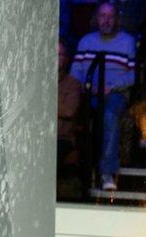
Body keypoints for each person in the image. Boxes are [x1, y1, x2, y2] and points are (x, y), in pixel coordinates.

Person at [69, 1, 136, 191]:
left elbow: (132, 75)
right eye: (102, 16)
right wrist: (86, 87)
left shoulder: (127, 41)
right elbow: (76, 72)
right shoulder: (86, 42)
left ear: (116, 20)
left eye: (110, 16)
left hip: (116, 94)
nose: (106, 20)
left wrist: (111, 87)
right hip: (89, 93)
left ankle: (107, 172)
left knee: (108, 116)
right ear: (96, 19)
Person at [57, 39, 82, 170]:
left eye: (59, 55)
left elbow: (69, 111)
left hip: (60, 138)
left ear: (65, 59)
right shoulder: (37, 82)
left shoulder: (72, 84)